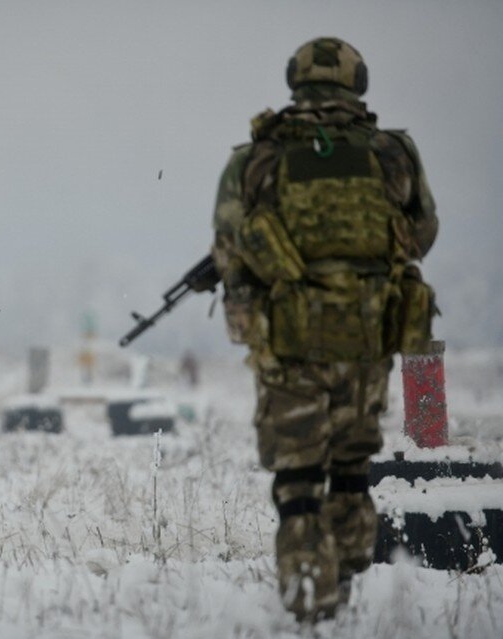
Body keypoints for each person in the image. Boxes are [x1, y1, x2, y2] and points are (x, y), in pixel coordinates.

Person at [211, 37, 438, 620]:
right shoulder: (392, 153)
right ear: (355, 82)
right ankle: (348, 589)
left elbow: (231, 247)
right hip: (367, 340)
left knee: (299, 482)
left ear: (295, 80)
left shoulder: (258, 158)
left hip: (290, 344)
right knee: (351, 471)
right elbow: (422, 233)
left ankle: (312, 608)